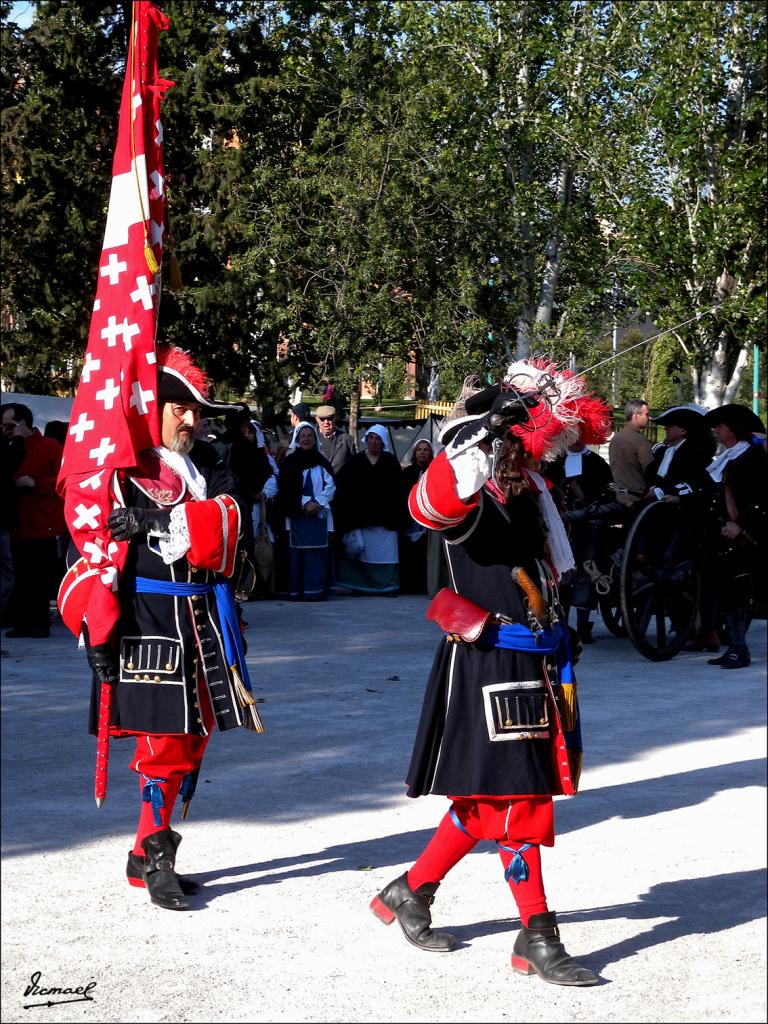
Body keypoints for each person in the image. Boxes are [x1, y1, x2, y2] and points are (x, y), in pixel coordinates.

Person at [369, 364, 599, 987]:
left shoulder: (531, 492)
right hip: (487, 660)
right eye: (529, 434)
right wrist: (484, 430)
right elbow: (431, 502)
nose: (540, 447)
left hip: (534, 659)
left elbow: (553, 569)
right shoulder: (469, 486)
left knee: (486, 799)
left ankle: (409, 891)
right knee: (521, 801)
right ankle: (537, 935)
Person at [57, 346, 264, 911]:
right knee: (163, 745)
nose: (192, 421)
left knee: (193, 740)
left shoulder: (197, 470)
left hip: (202, 622)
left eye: (196, 411)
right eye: (180, 409)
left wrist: (165, 519)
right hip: (149, 622)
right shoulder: (124, 470)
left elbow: (231, 523)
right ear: (151, 407)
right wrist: (96, 629)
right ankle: (154, 852)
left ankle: (141, 851)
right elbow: (94, 553)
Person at [699, 404, 767, 670]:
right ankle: (736, 647)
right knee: (728, 591)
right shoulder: (728, 456)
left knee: (740, 590)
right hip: (722, 535)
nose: (716, 430)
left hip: (743, 537)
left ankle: (739, 648)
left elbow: (761, 498)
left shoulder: (753, 457)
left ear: (733, 429)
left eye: (720, 426)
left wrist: (741, 525)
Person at [546, 399, 614, 644]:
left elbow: (606, 494)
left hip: (588, 529)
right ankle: (562, 623)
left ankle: (584, 626)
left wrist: (581, 493)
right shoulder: (555, 461)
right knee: (562, 576)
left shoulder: (598, 464)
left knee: (586, 575)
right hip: (561, 526)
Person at [3, 402, 65, 639]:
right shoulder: (10, 447)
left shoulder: (49, 447)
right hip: (19, 521)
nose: (6, 429)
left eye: (10, 425)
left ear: (23, 423)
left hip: (43, 521)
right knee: (22, 575)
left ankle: (39, 623)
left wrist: (36, 484)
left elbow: (62, 479)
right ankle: (23, 622)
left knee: (39, 576)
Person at [334, 424, 403, 595]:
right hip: (362, 518)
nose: (373, 442)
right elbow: (343, 485)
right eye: (370, 438)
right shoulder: (355, 461)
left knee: (386, 553)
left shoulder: (390, 462)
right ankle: (361, 586)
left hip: (385, 519)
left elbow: (399, 490)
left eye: (377, 439)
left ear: (383, 442)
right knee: (363, 555)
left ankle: (387, 586)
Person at [275, 421, 336, 601]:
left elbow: (331, 484)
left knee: (315, 554)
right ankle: (297, 590)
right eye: (303, 436)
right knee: (296, 555)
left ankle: (315, 590)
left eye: (310, 435)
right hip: (295, 515)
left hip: (318, 514)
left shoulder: (321, 461)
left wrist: (317, 502)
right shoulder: (289, 463)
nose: (307, 439)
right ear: (297, 439)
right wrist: (305, 503)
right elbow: (286, 489)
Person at [643, 406, 713, 503]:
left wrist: (661, 491)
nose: (665, 428)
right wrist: (654, 487)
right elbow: (650, 472)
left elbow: (693, 483)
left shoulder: (695, 454)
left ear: (683, 430)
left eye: (670, 425)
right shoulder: (663, 451)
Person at [399, 439, 435, 595]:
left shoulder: (434, 473)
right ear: (414, 453)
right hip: (410, 519)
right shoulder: (406, 473)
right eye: (419, 449)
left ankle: (425, 586)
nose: (422, 452)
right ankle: (409, 586)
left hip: (428, 519)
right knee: (409, 555)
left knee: (425, 555)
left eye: (426, 449)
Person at [608, 398, 653, 507]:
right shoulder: (639, 440)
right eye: (646, 414)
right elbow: (649, 470)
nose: (649, 417)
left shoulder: (616, 438)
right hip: (636, 500)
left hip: (618, 496)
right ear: (636, 415)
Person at [314, 404, 357, 474]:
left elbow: (354, 467)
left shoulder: (347, 440)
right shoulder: (311, 439)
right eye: (322, 419)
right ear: (317, 419)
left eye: (329, 418)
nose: (326, 422)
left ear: (335, 418)